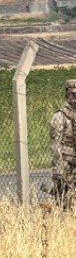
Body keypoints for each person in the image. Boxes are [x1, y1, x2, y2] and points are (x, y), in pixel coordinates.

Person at [48, 79, 76, 207]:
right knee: (65, 200)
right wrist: (58, 169)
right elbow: (55, 144)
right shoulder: (60, 116)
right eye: (72, 93)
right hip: (67, 162)